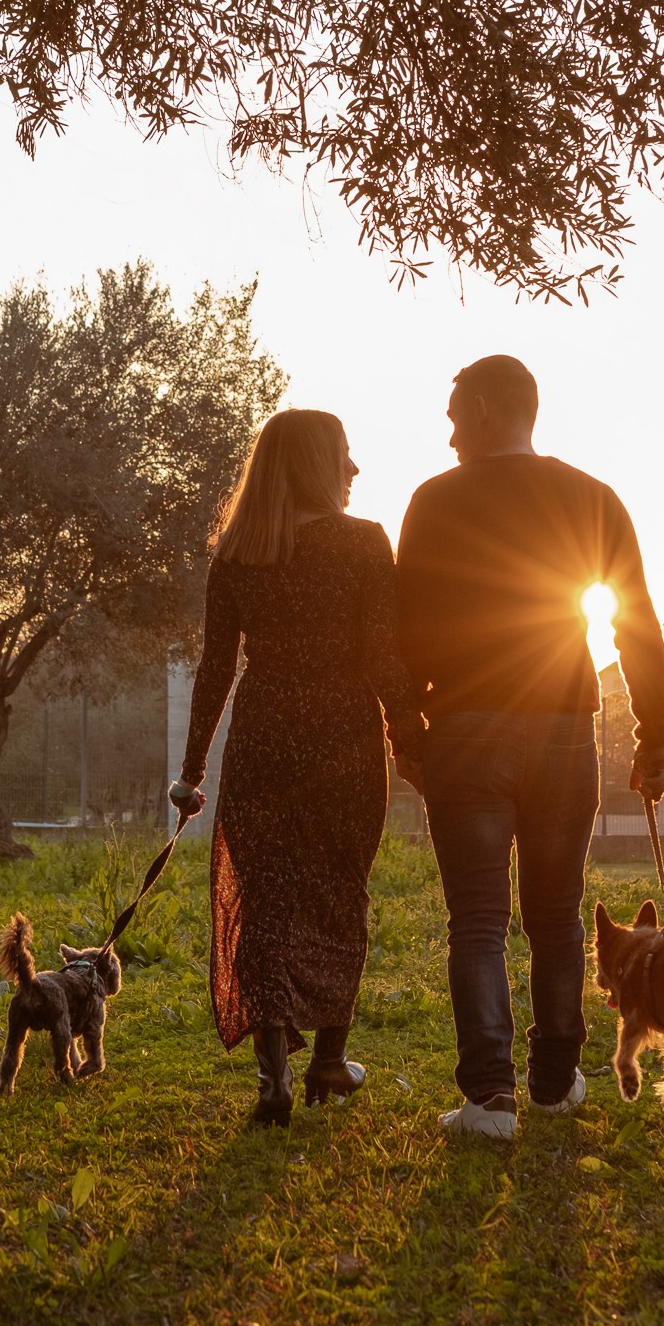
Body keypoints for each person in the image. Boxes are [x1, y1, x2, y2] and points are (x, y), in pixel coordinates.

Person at [395, 355, 664, 1139]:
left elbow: (404, 630)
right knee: (555, 918)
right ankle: (555, 1083)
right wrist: (656, 737)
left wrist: (408, 730)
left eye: (454, 416)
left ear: (484, 408)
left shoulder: (434, 501)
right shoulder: (592, 497)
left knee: (477, 922)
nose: (449, 435)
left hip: (466, 730)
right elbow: (637, 627)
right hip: (561, 732)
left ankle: (490, 1101)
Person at [170, 409, 425, 1126]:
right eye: (345, 455)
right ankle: (329, 1061)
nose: (354, 469)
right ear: (318, 464)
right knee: (340, 893)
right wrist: (412, 735)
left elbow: (215, 669)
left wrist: (192, 771)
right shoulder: (365, 544)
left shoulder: (239, 553)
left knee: (268, 904)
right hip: (343, 739)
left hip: (262, 737)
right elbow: (382, 655)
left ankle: (274, 1073)